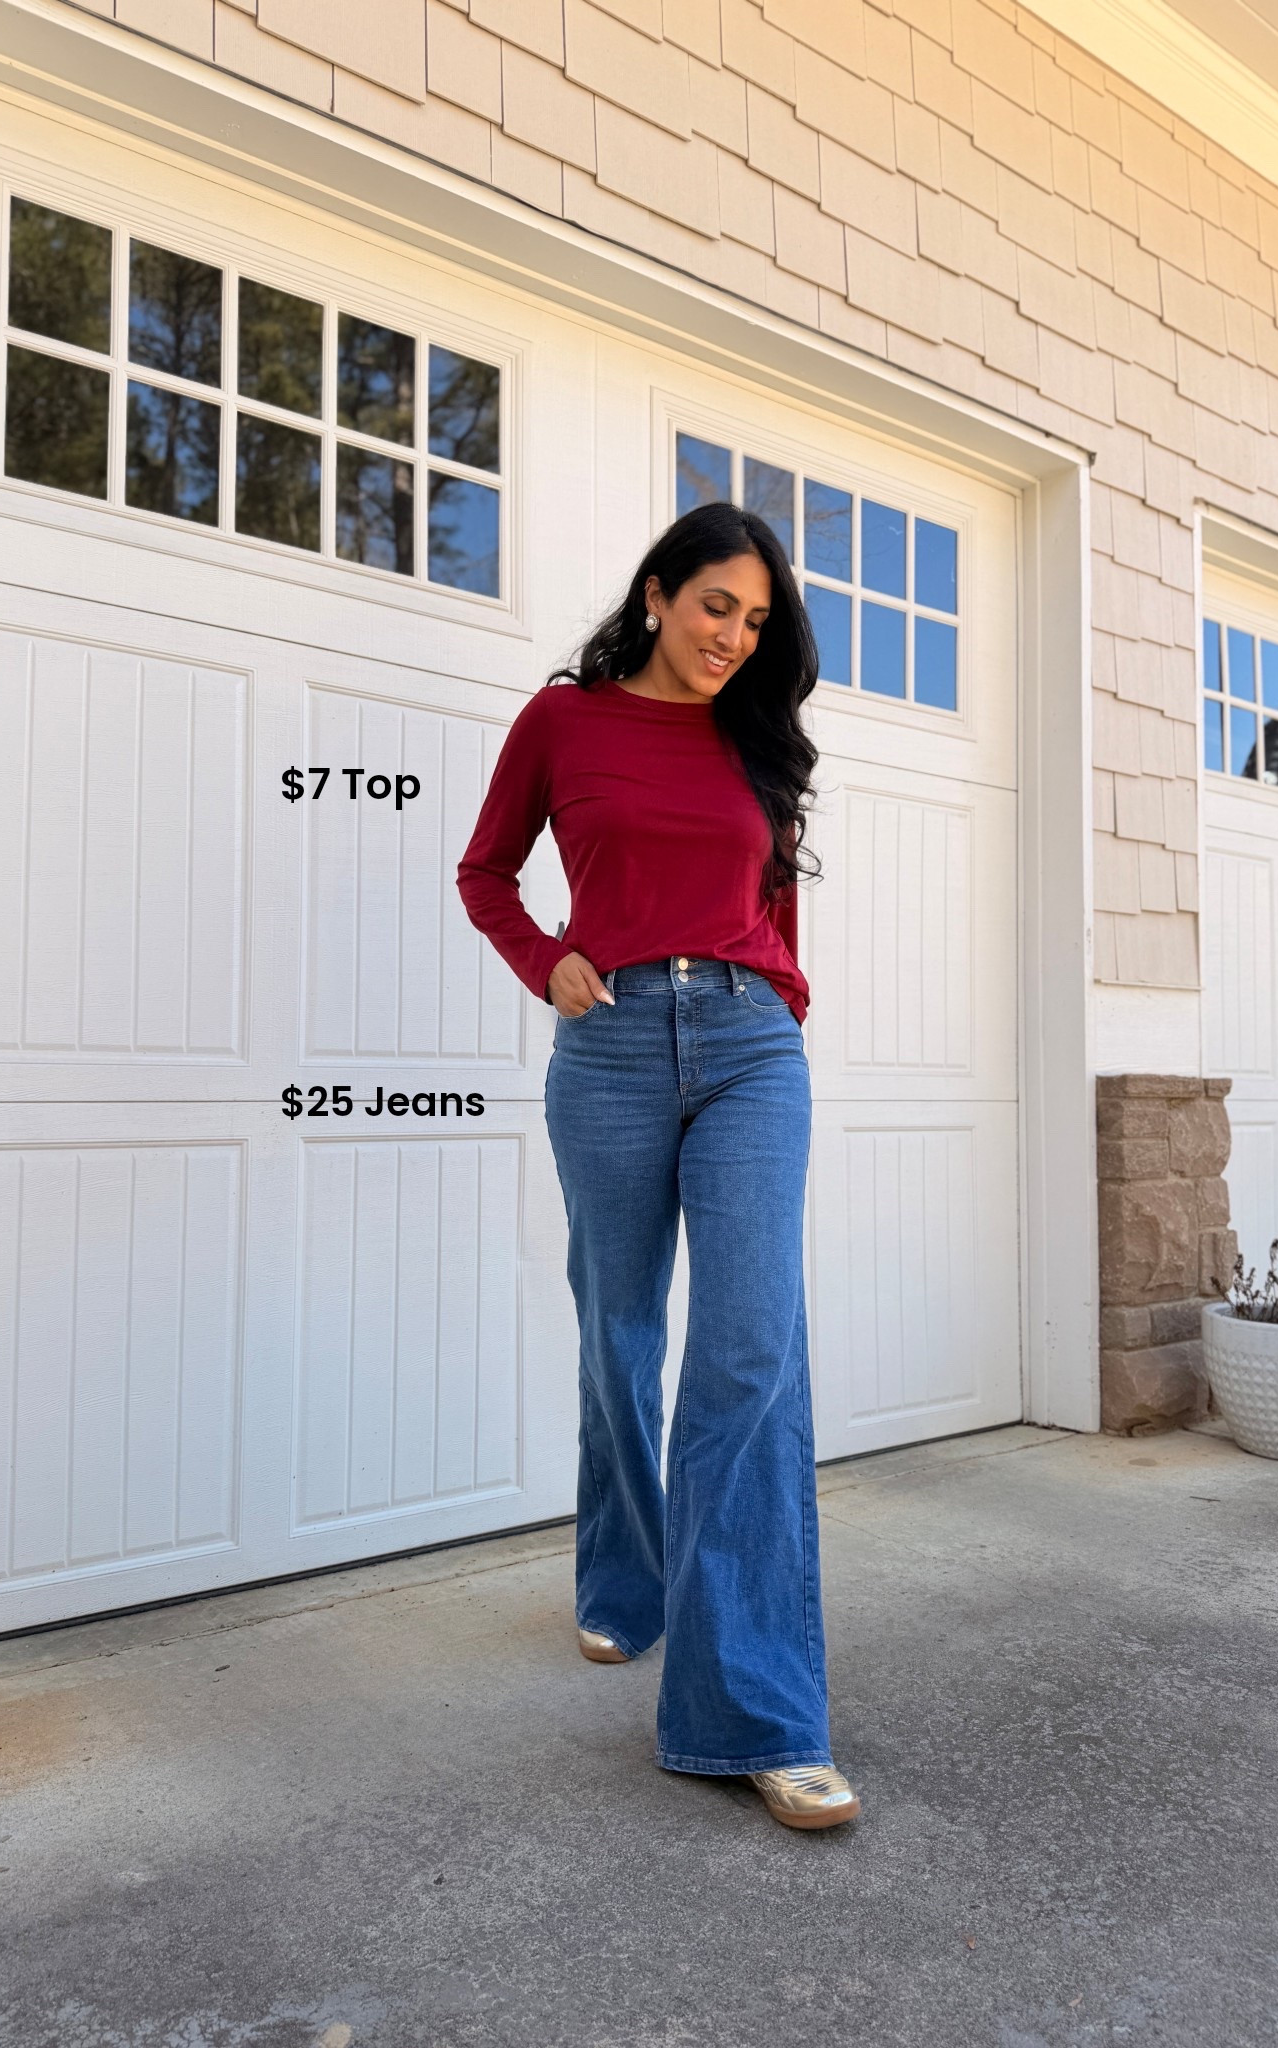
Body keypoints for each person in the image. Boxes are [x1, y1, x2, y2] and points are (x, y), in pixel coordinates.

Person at [456, 502, 858, 1831]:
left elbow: (771, 903)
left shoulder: (756, 740)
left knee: (750, 1351)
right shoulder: (563, 722)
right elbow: (485, 872)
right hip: (614, 1047)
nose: (733, 637)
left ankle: (759, 1715)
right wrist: (547, 964)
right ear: (655, 595)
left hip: (749, 1047)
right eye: (715, 607)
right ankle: (627, 1584)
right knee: (619, 1331)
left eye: (756, 620)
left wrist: (783, 1002)